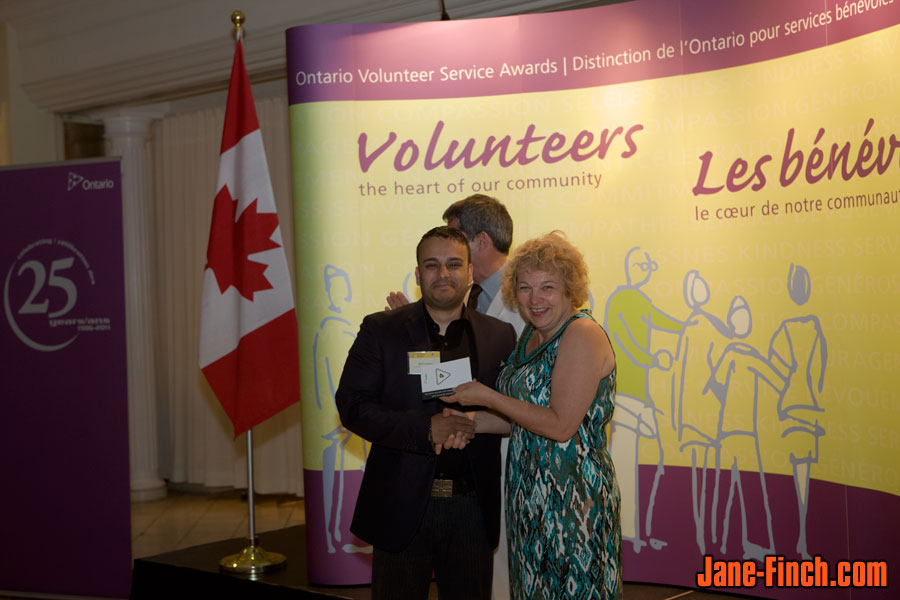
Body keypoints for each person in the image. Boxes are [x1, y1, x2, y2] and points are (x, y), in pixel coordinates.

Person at [336, 226, 517, 600]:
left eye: (454, 264)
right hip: (401, 506)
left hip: (471, 507)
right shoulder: (381, 330)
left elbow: (513, 411)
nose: (444, 274)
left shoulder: (500, 335)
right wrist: (424, 429)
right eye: (432, 265)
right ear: (418, 274)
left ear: (470, 272)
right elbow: (352, 406)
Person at [445, 231, 622, 600]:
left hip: (574, 500)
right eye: (525, 288)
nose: (535, 299)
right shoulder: (530, 335)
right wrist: (468, 421)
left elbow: (560, 425)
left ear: (569, 289)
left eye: (547, 288)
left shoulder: (581, 334)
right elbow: (524, 420)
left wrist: (488, 396)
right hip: (529, 496)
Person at [386, 193, 525, 599]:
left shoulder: (525, 305)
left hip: (497, 458)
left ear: (478, 243)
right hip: (446, 467)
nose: (446, 260)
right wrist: (413, 334)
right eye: (434, 262)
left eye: (456, 239)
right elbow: (444, 384)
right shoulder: (461, 305)